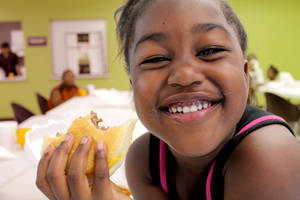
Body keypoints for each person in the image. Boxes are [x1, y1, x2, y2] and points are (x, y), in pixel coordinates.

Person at [36, 0, 300, 199]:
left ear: (245, 76)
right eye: (156, 58)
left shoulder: (270, 155)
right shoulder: (144, 160)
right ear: (133, 87)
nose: (184, 75)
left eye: (210, 50)